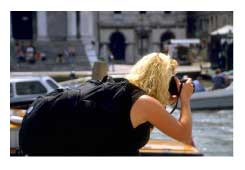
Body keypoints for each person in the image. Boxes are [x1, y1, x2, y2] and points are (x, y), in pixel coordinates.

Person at [19, 52, 195, 156]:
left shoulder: (123, 90)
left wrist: (165, 100)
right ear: (162, 80)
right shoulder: (144, 102)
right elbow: (185, 135)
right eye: (170, 78)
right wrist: (185, 100)